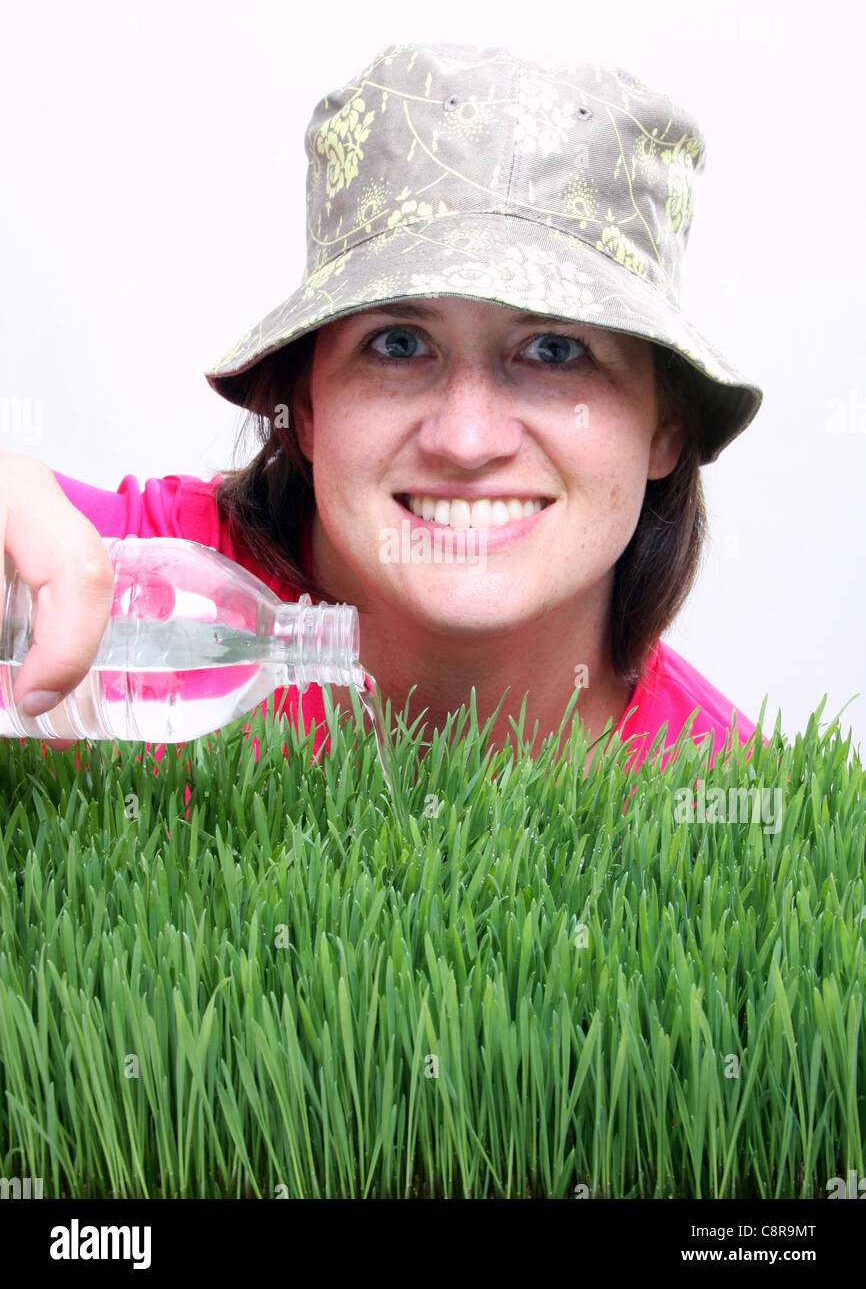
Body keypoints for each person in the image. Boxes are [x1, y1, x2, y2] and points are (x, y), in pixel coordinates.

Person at [3, 41, 765, 787]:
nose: (465, 441)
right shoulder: (116, 590)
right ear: (305, 403)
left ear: (667, 425)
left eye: (556, 351)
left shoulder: (725, 802)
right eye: (399, 344)